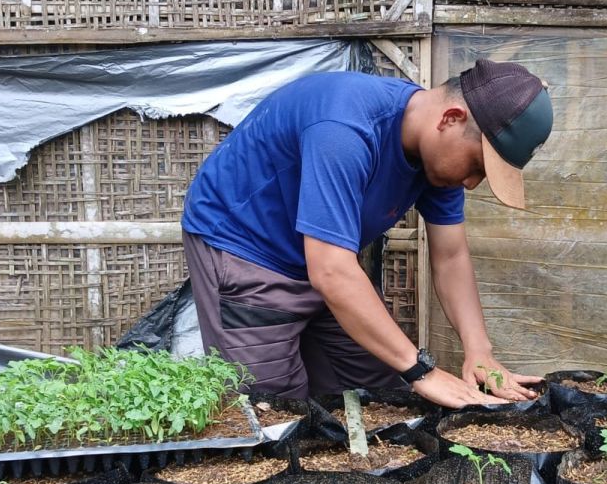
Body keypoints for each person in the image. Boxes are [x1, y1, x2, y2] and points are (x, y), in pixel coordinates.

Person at [180, 58, 553, 409]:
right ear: (451, 118)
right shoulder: (344, 129)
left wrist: (479, 351)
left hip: (328, 258)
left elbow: (451, 255)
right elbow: (330, 271)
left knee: (375, 390)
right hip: (248, 249)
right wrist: (420, 369)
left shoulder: (435, 159)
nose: (471, 184)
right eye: (477, 166)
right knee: (275, 407)